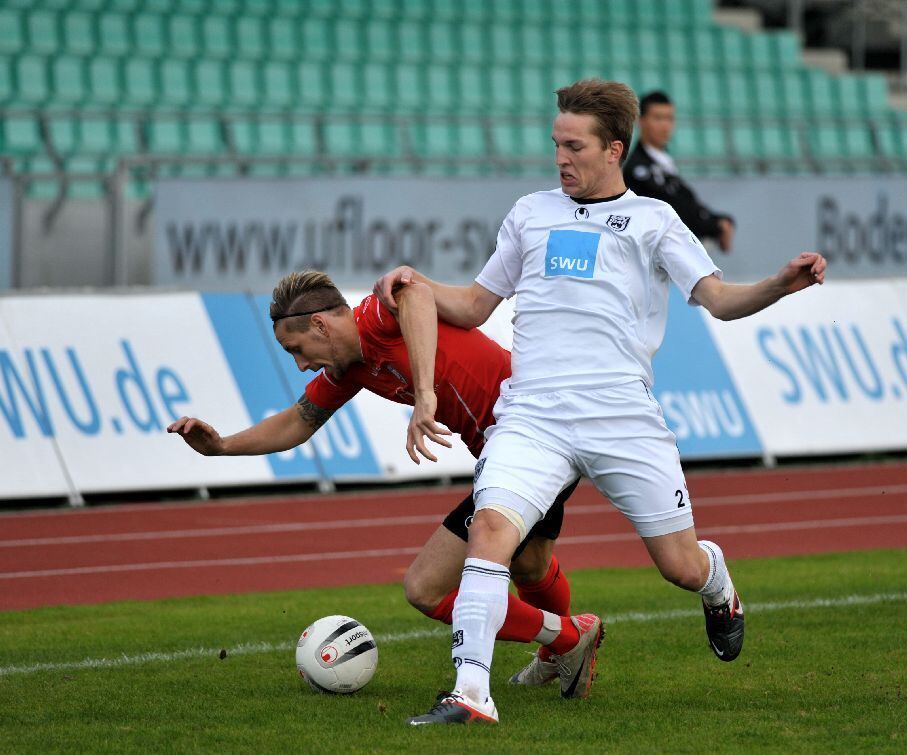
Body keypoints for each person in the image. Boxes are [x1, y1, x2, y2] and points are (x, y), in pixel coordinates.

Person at [375, 79, 826, 727]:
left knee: (679, 564)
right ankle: (471, 690)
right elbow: (475, 305)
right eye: (556, 143)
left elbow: (719, 299)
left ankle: (716, 580)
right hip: (533, 416)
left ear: (614, 149)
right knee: (490, 530)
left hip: (623, 420)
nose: (560, 156)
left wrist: (780, 284)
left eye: (574, 145)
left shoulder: (654, 220)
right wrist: (415, 283)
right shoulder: (530, 212)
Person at [166, 271, 597, 694]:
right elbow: (298, 421)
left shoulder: (376, 316)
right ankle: (559, 655)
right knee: (530, 565)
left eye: (297, 349)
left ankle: (568, 639)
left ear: (320, 324)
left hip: (527, 440)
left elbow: (417, 294)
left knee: (426, 588)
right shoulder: (349, 368)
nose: (300, 365)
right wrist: (221, 446)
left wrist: (425, 393)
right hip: (537, 436)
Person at [623, 90, 736, 252]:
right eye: (658, 118)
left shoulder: (663, 162)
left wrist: (722, 220)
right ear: (641, 121)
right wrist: (717, 225)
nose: (665, 125)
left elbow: (688, 201)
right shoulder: (638, 169)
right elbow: (677, 210)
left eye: (669, 118)